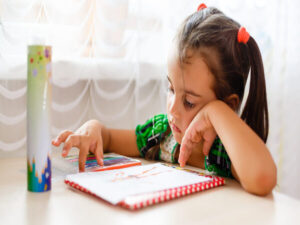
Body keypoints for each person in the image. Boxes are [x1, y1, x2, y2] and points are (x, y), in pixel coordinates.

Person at [52, 4, 277, 196]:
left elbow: (263, 178)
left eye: (189, 101)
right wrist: (92, 129)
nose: (173, 109)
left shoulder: (226, 152)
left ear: (228, 105)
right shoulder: (161, 135)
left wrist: (216, 112)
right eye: (170, 89)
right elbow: (109, 138)